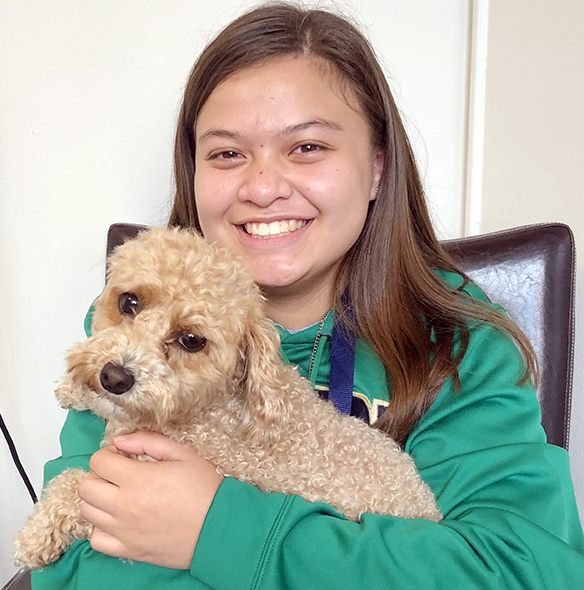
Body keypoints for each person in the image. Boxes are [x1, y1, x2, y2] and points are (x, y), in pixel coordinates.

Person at [32, 3, 584, 588]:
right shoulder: (126, 317)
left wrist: (220, 530)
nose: (263, 187)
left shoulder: (462, 341)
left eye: (307, 148)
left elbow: (526, 569)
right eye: (226, 153)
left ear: (375, 169)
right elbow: (70, 563)